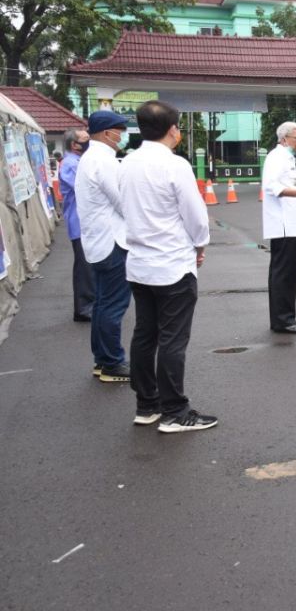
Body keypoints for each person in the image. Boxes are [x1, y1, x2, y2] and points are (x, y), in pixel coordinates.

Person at [120, 100, 215, 432]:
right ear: (173, 130)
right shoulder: (175, 166)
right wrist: (199, 246)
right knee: (173, 340)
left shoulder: (127, 163)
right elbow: (196, 216)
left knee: (145, 335)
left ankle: (147, 405)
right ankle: (176, 411)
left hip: (140, 264)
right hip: (173, 264)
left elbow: (124, 209)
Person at [75, 110, 130, 382]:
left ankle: (102, 359)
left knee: (102, 303)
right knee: (113, 305)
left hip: (98, 242)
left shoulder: (90, 158)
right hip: (113, 242)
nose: (122, 135)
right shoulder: (104, 161)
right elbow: (123, 202)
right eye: (120, 130)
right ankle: (112, 363)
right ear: (107, 133)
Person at [263, 122, 296, 334]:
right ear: (284, 139)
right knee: (283, 273)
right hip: (284, 225)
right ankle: (284, 320)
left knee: (287, 272)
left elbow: (287, 185)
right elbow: (271, 185)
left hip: (291, 223)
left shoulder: (287, 157)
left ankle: (283, 318)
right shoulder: (277, 157)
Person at [59, 127, 94, 322]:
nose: (88, 141)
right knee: (84, 268)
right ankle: (84, 308)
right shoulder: (71, 164)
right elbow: (85, 188)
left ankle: (88, 304)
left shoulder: (77, 162)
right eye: (85, 139)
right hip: (79, 222)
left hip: (83, 221)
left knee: (88, 265)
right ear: (74, 144)